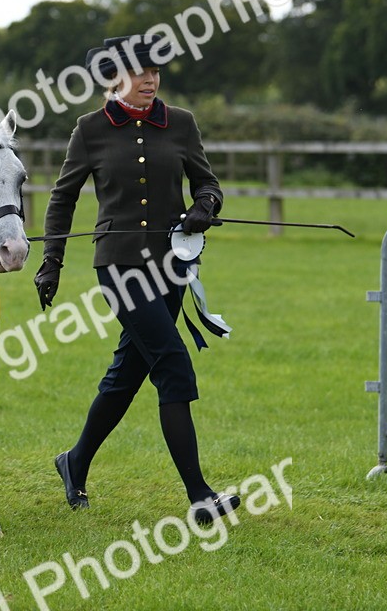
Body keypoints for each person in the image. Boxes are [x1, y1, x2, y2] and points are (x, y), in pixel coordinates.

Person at [34, 34, 239, 524]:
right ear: (113, 78)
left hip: (171, 266)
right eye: (139, 72)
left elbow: (207, 183)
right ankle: (199, 496)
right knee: (172, 363)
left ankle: (75, 461)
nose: (150, 80)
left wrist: (203, 207)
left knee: (127, 374)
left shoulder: (182, 123)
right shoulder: (89, 130)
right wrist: (52, 262)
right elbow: (63, 200)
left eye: (155, 72)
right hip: (120, 267)